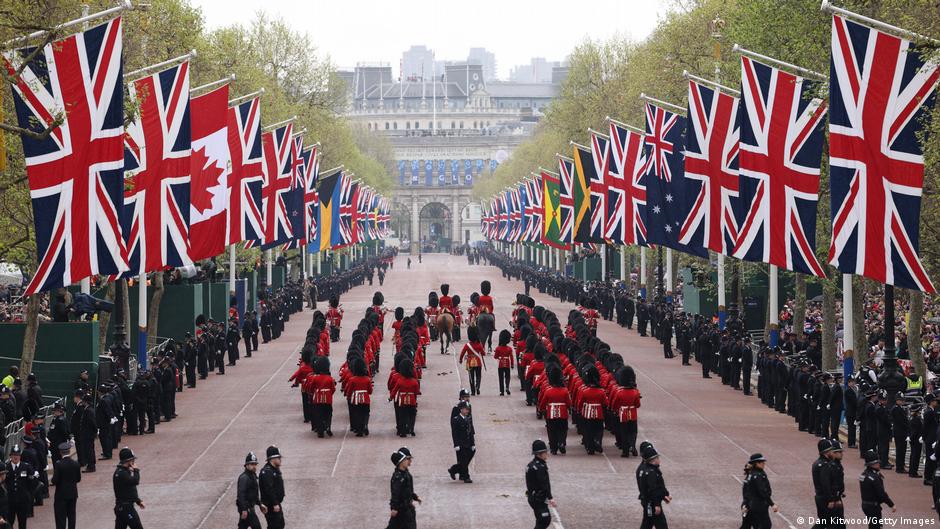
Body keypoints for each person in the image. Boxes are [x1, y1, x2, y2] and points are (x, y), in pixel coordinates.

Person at [636, 441, 670, 529]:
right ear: (653, 460)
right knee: (661, 524)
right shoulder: (651, 472)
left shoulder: (643, 469)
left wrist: (665, 495)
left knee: (647, 523)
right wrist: (657, 504)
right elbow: (654, 489)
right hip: (651, 503)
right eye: (657, 458)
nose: (659, 459)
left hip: (648, 502)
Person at [859, 450, 894, 529]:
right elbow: (881, 494)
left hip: (865, 505)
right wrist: (891, 504)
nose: (879, 464)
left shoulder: (863, 475)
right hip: (873, 506)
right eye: (877, 462)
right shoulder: (874, 477)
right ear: (872, 464)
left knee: (872, 525)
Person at [741, 453, 777, 529]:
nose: (764, 464)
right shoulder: (758, 475)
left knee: (748, 525)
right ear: (756, 463)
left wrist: (745, 505)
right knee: (766, 525)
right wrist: (772, 504)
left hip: (751, 505)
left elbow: (748, 493)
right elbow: (762, 492)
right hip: (759, 505)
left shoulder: (751, 475)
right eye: (761, 462)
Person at [525, 439, 554, 529]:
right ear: (539, 454)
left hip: (533, 497)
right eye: (544, 452)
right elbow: (544, 483)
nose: (546, 454)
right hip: (538, 498)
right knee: (544, 520)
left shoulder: (531, 465)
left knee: (541, 520)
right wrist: (550, 497)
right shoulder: (539, 467)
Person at [387, 447, 420, 529]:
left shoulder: (406, 474)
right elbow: (395, 493)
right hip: (401, 510)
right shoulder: (398, 477)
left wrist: (414, 497)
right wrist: (394, 508)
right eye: (408, 459)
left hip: (407, 508)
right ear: (401, 462)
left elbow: (408, 489)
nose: (410, 461)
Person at [6, 445, 37, 529]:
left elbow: (32, 482)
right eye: (13, 455)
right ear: (10, 456)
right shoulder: (6, 467)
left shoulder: (26, 467)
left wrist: (29, 495)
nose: (15, 457)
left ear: (20, 456)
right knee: (9, 523)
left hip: (22, 500)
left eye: (17, 455)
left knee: (22, 523)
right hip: (10, 500)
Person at [113, 447, 144, 529]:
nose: (134, 462)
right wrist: (136, 470)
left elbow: (129, 490)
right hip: (127, 508)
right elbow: (135, 481)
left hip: (121, 507)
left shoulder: (122, 471)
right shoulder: (122, 473)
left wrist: (138, 501)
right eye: (133, 460)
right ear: (129, 460)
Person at [51, 442, 80, 529]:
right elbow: (78, 479)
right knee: (71, 516)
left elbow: (55, 480)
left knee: (60, 518)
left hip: (61, 495)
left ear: (60, 452)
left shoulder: (59, 464)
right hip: (72, 493)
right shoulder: (75, 463)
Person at [448, 401, 475, 483]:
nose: (467, 411)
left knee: (466, 460)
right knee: (463, 460)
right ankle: (466, 476)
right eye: (466, 409)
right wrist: (456, 444)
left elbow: (470, 433)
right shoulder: (456, 420)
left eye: (468, 409)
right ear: (461, 410)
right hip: (461, 444)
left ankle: (453, 469)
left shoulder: (468, 419)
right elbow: (455, 434)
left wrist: (473, 444)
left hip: (468, 443)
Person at [259, 446, 285, 529]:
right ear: (272, 459)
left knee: (280, 524)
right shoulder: (267, 471)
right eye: (278, 458)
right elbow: (269, 489)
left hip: (276, 503)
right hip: (270, 505)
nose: (280, 460)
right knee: (274, 526)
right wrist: (275, 503)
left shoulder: (274, 469)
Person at [237, 452, 263, 529]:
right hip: (247, 509)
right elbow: (241, 495)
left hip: (249, 507)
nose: (254, 466)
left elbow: (254, 493)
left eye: (255, 464)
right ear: (247, 465)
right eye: (252, 464)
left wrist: (259, 503)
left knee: (242, 526)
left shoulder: (252, 475)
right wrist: (244, 509)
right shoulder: (244, 478)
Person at [458, 327, 486, 396]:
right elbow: (483, 353)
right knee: (478, 376)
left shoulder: (467, 345)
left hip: (470, 362)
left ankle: (473, 391)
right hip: (478, 362)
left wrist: (460, 360)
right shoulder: (479, 345)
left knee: (471, 377)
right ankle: (477, 387)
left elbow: (462, 353)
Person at [493, 330, 514, 396]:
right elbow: (511, 357)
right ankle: (507, 387)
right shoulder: (509, 348)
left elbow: (495, 357)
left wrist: (498, 356)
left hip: (501, 364)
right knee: (507, 376)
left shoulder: (498, 348)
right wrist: (512, 365)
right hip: (507, 363)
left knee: (501, 378)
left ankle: (501, 391)